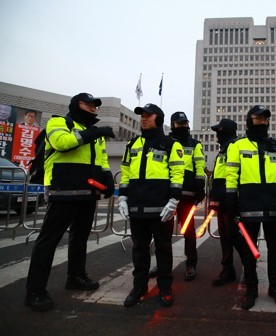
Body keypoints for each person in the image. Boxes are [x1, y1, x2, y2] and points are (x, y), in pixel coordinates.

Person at [25, 93, 116, 312]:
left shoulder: (95, 133)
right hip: (63, 189)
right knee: (49, 239)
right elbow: (62, 143)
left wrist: (106, 177)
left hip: (88, 191)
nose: (93, 108)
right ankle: (35, 291)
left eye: (96, 105)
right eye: (89, 104)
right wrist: (93, 132)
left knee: (80, 236)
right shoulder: (59, 122)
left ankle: (76, 276)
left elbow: (102, 158)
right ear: (76, 105)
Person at [118, 103, 185, 307]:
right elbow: (126, 173)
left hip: (161, 209)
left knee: (164, 249)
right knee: (139, 249)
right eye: (142, 116)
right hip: (137, 208)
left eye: (148, 115)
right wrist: (122, 197)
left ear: (159, 118)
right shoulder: (132, 145)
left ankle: (165, 287)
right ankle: (139, 287)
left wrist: (174, 201)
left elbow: (177, 175)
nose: (143, 119)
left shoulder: (171, 145)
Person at [226, 105, 276, 310]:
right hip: (248, 204)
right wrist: (230, 198)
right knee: (248, 249)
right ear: (249, 120)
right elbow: (231, 174)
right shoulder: (237, 146)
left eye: (265, 119)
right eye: (257, 118)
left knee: (274, 250)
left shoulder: (275, 146)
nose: (262, 122)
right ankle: (251, 288)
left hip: (272, 203)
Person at [148, 111, 205, 281]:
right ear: (173, 125)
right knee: (162, 234)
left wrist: (200, 187)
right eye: (179, 123)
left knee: (188, 231)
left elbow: (199, 167)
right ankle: (162, 264)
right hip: (167, 195)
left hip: (187, 195)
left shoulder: (195, 144)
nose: (183, 126)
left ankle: (191, 264)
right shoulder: (165, 143)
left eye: (185, 123)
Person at [208, 118, 254, 287]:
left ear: (224, 131)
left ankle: (249, 266)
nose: (216, 136)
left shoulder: (235, 147)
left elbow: (237, 175)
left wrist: (233, 199)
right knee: (225, 236)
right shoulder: (224, 149)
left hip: (231, 200)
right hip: (221, 200)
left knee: (232, 234)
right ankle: (228, 269)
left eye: (218, 132)